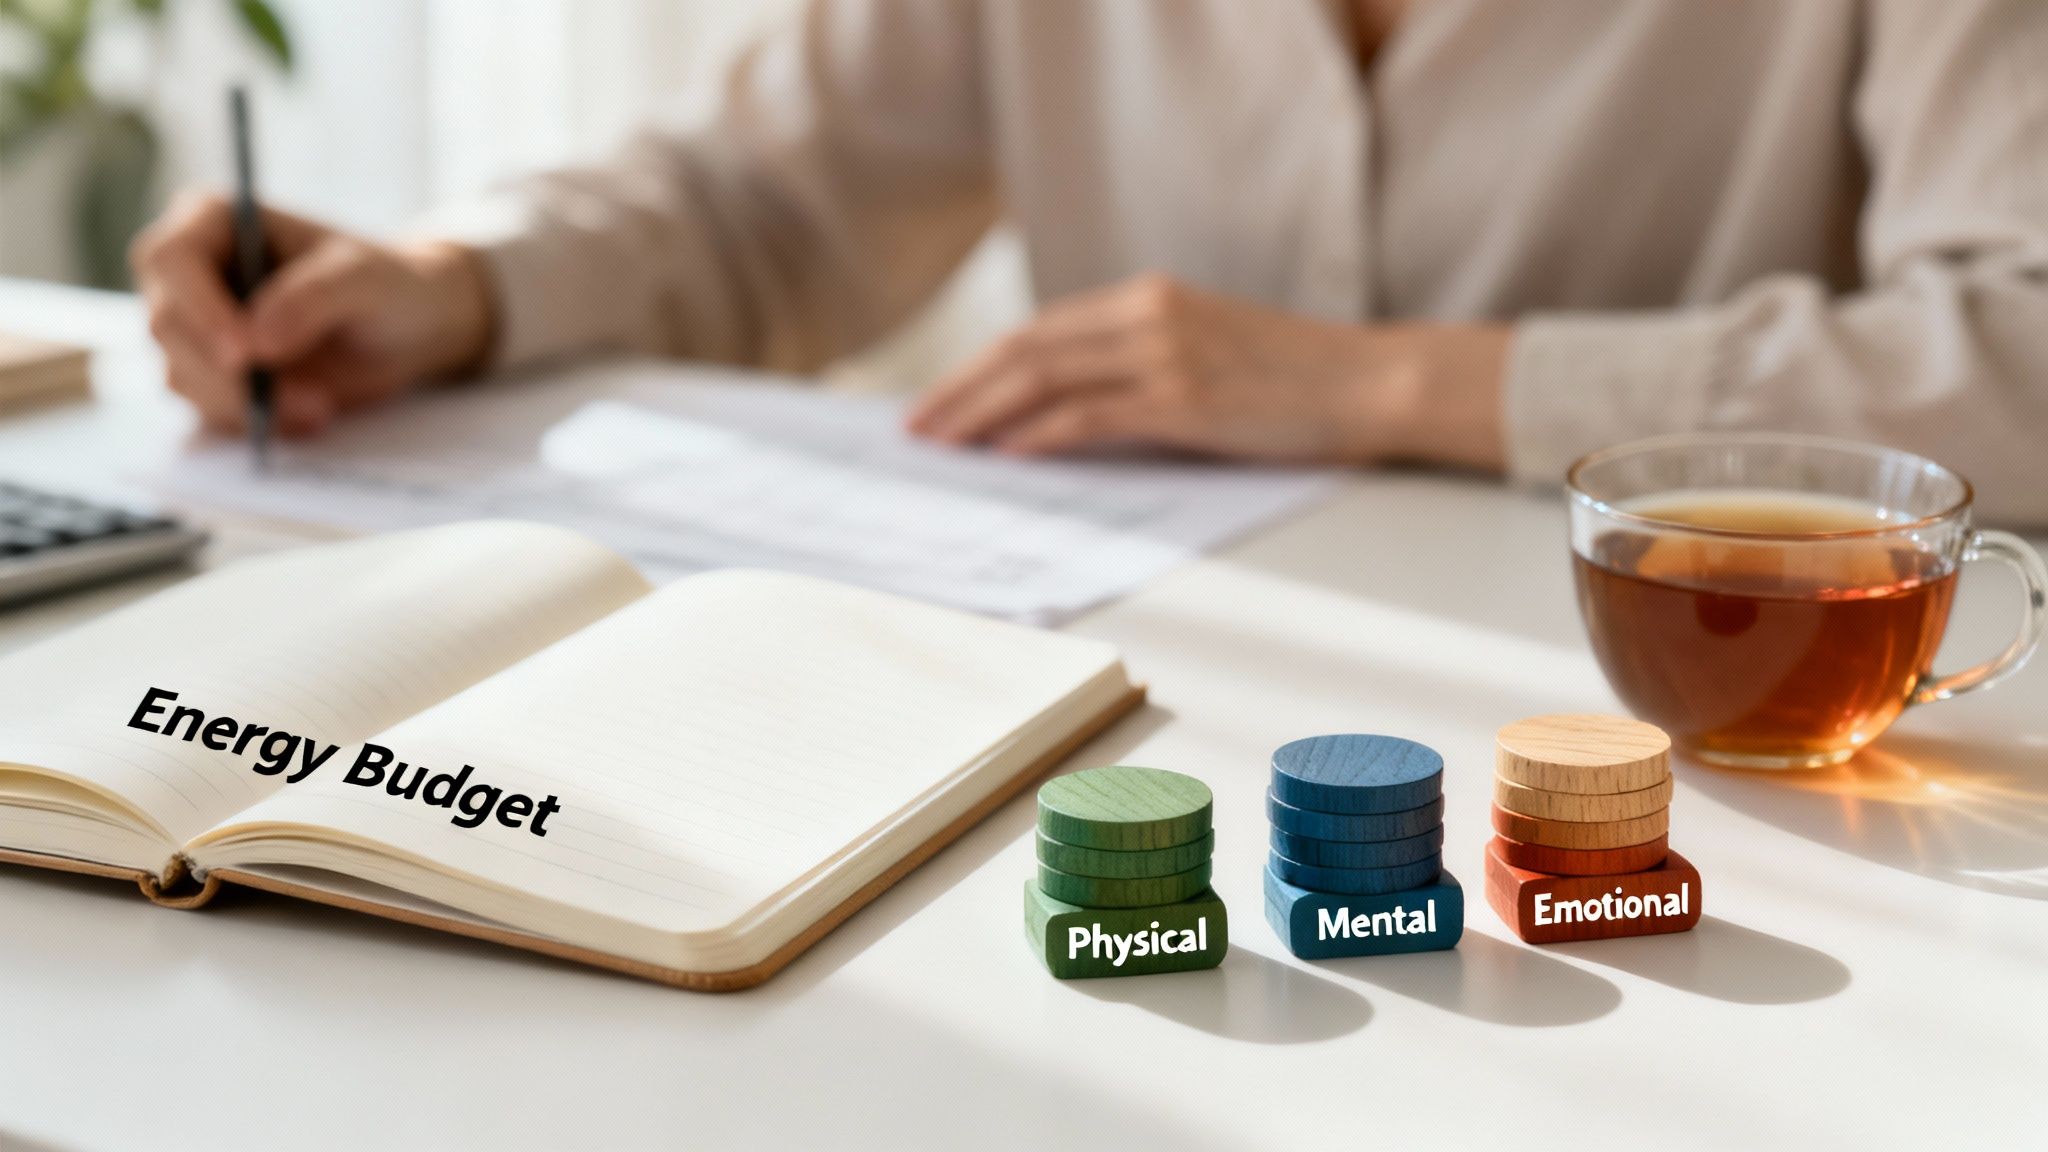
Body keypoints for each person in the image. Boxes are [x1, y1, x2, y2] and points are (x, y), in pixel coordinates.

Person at [132, 0, 2048, 522]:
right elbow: (762, 202)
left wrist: (1382, 383)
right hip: (1143, 702)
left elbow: (2019, 348)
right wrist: (457, 279)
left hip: (1690, 741)